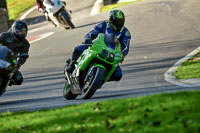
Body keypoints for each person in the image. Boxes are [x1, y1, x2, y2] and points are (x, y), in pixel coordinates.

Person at [66, 9, 131, 82]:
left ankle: (100, 79)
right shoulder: (103, 24)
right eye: (117, 21)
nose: (119, 23)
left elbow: (126, 47)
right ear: (111, 20)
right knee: (79, 49)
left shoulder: (125, 32)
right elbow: (92, 33)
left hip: (111, 54)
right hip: (98, 47)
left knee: (118, 75)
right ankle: (71, 64)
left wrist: (122, 55)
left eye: (121, 21)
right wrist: (88, 38)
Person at [0, 20, 30, 86]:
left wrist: (18, 64)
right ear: (14, 30)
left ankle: (5, 83)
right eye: (20, 32)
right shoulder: (4, 36)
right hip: (0, 57)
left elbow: (24, 55)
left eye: (23, 32)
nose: (22, 33)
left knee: (18, 79)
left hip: (13, 60)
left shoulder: (25, 43)